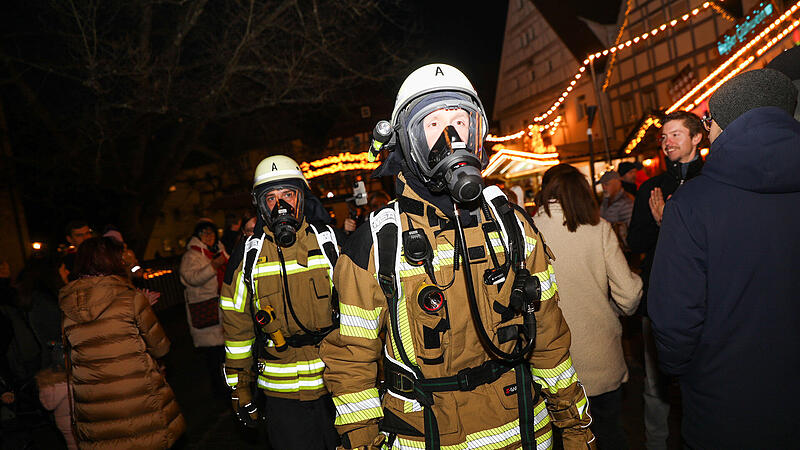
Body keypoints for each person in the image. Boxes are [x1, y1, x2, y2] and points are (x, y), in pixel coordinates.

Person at [319, 64, 595, 450]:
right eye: (433, 124)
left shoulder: (511, 226)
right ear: (408, 140)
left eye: (459, 122)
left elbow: (549, 337)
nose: (451, 137)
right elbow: (351, 364)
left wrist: (575, 427)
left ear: (476, 130)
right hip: (429, 435)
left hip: (523, 432)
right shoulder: (379, 244)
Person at [648, 68, 800, 448]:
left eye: (708, 122)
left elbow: (674, 318)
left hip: (726, 401)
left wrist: (683, 371)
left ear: (721, 125)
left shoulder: (693, 204)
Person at [221, 155, 341, 450]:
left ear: (301, 198)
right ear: (260, 205)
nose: (281, 205)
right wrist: (241, 390)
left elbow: (362, 314)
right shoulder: (246, 258)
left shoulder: (331, 245)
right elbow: (236, 331)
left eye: (288, 194)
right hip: (282, 397)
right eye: (271, 198)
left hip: (337, 385)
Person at [534, 164, 642, 450]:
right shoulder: (599, 229)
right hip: (600, 359)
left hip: (550, 365)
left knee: (559, 441)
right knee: (609, 434)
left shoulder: (527, 232)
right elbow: (629, 295)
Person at [626, 109, 704, 450]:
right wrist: (659, 226)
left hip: (706, 296)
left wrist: (671, 225)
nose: (667, 142)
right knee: (655, 383)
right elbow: (636, 242)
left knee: (703, 377)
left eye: (675, 135)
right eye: (664, 137)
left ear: (697, 137)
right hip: (658, 297)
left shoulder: (712, 181)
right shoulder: (652, 189)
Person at [59, 237, 185, 448]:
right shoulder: (130, 297)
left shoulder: (67, 304)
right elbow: (160, 346)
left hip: (94, 400)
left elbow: (70, 354)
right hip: (137, 393)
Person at [178, 220, 229, 398]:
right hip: (207, 312)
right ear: (197, 236)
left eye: (211, 233)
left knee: (227, 356)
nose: (209, 237)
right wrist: (213, 266)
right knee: (215, 359)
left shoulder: (219, 249)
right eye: (204, 233)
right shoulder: (191, 256)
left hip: (224, 309)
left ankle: (231, 390)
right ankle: (220, 394)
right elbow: (191, 278)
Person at [58, 220, 93, 285]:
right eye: (79, 235)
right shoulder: (68, 261)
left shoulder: (101, 256)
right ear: (69, 239)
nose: (86, 238)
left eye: (87, 233)